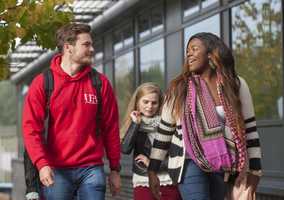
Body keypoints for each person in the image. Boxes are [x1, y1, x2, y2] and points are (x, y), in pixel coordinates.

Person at [147, 32, 262, 200]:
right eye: (187, 51)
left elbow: (250, 129)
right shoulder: (179, 88)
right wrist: (152, 170)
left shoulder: (235, 84)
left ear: (210, 53)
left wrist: (255, 171)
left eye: (194, 49)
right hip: (188, 162)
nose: (189, 54)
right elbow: (164, 132)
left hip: (223, 163)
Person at [22, 23, 121, 200]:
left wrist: (115, 169)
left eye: (91, 44)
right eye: (86, 44)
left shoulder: (100, 83)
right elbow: (31, 130)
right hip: (55, 170)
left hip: (92, 169)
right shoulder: (43, 83)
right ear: (68, 47)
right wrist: (41, 164)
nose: (92, 49)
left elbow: (111, 128)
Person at [121, 83, 181, 200]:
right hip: (143, 179)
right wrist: (135, 124)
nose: (150, 106)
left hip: (167, 179)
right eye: (146, 102)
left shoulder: (168, 124)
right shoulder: (134, 124)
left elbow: (176, 155)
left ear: (160, 105)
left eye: (154, 103)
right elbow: (125, 149)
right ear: (138, 102)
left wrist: (152, 164)